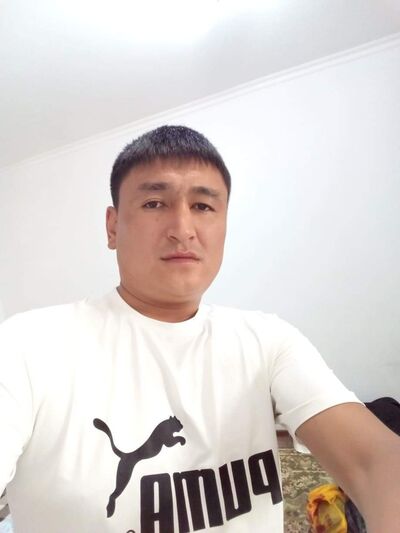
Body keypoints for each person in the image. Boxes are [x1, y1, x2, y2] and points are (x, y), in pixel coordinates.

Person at [0, 125, 399, 533]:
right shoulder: (27, 346)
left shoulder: (268, 341)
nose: (182, 228)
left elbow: (375, 462)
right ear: (113, 227)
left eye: (204, 207)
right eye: (154, 203)